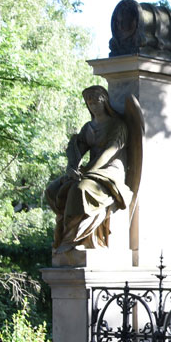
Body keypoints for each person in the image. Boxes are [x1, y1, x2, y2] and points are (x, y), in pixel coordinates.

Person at [45, 86, 134, 253]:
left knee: (81, 189)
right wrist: (72, 168)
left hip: (110, 170)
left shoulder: (117, 125)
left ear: (105, 101)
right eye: (90, 103)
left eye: (97, 102)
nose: (93, 106)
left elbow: (109, 152)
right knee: (53, 189)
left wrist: (87, 171)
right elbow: (77, 148)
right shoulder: (89, 127)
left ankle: (72, 239)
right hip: (90, 170)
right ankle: (64, 234)